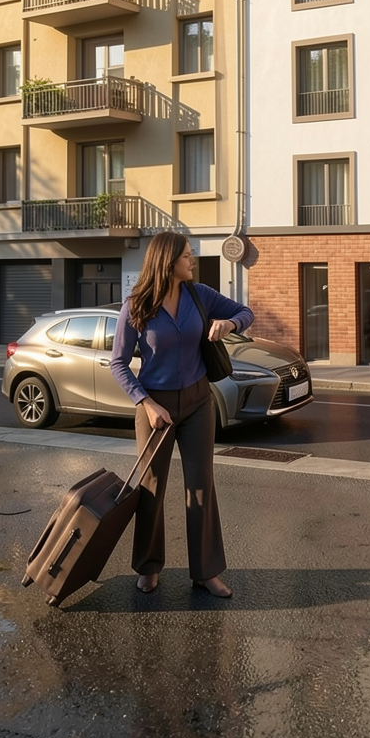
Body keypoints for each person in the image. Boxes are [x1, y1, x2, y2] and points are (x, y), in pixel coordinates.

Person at [110, 231, 254, 599]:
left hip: (198, 401)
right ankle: (148, 567)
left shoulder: (199, 294)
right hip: (154, 407)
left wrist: (230, 324)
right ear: (168, 261)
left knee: (201, 485)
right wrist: (147, 403)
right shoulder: (136, 305)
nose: (192, 261)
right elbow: (118, 363)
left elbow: (245, 312)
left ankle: (206, 572)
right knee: (151, 487)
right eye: (187, 256)